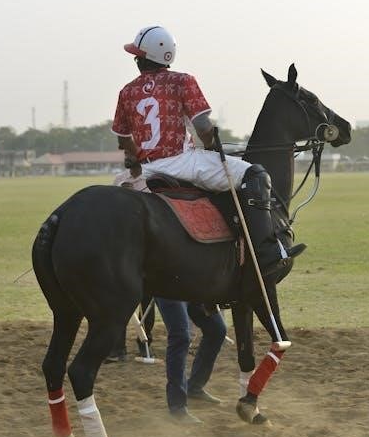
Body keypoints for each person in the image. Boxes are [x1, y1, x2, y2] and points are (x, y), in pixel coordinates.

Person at [112, 25, 306, 276]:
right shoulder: (182, 81)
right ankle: (267, 251)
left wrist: (136, 161)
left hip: (145, 170)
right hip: (183, 162)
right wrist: (213, 148)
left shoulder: (126, 91)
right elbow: (203, 127)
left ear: (143, 59)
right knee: (256, 174)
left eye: (138, 56)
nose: (136, 60)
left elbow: (124, 141)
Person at [154, 298, 226, 423]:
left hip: (193, 290)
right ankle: (177, 406)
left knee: (217, 330)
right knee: (180, 337)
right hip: (168, 290)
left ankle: (194, 387)